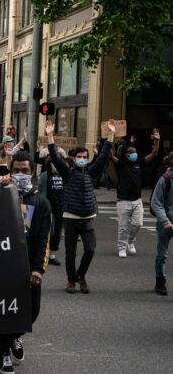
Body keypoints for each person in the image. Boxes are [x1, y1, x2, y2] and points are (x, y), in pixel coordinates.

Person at [0, 151, 50, 374]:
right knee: (3, 311)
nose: (20, 174)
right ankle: (4, 352)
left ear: (32, 172)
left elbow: (43, 239)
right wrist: (1, 191)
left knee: (31, 312)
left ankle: (15, 337)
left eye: (25, 171)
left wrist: (38, 269)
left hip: (29, 269)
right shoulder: (1, 196)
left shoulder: (41, 202)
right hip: (2, 267)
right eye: (16, 170)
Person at [46, 119, 114, 293]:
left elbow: (103, 156)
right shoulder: (67, 173)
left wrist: (111, 135)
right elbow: (55, 157)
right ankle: (71, 280)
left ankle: (81, 275)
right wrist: (50, 136)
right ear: (74, 159)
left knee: (90, 250)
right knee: (70, 253)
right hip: (70, 218)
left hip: (88, 217)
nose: (82, 159)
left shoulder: (91, 172)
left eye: (85, 157)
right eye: (79, 157)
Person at [111, 129, 160, 257]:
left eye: (135, 152)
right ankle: (121, 247)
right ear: (126, 155)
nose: (134, 154)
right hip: (123, 200)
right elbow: (110, 156)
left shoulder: (139, 163)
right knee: (122, 227)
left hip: (137, 200)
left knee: (138, 223)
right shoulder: (121, 164)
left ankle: (130, 241)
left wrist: (157, 141)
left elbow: (154, 153)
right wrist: (111, 138)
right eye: (131, 153)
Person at [38, 147, 66, 266]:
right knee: (49, 231)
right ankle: (43, 253)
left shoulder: (65, 175)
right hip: (48, 207)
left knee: (58, 232)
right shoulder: (45, 176)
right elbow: (40, 191)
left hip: (60, 208)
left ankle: (52, 256)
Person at [150, 151, 173, 296]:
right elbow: (156, 203)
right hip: (167, 223)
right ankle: (160, 281)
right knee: (162, 255)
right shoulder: (165, 179)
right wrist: (165, 221)